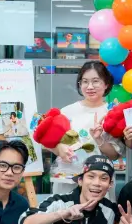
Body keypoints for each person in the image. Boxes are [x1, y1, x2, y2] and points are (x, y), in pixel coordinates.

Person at [51, 61, 124, 197]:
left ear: (106, 84)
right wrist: (59, 149)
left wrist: (99, 139)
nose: (90, 87)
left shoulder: (112, 113)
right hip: (67, 179)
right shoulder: (67, 112)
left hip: (99, 182)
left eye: (95, 81)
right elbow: (49, 142)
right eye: (85, 81)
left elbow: (114, 155)